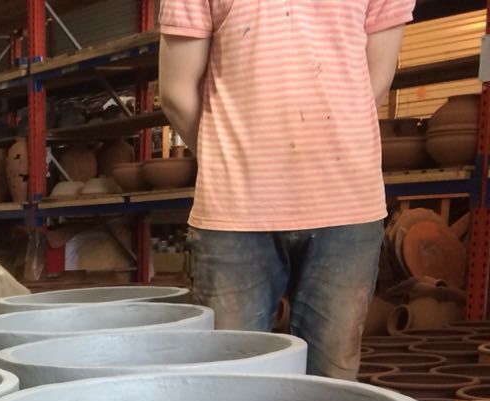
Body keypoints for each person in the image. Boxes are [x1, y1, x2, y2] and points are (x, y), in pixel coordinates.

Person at [157, 0, 415, 378]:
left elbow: (371, 87)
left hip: (346, 205)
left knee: (331, 385)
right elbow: (175, 93)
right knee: (229, 383)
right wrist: (230, 158)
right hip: (236, 212)